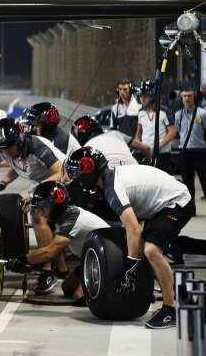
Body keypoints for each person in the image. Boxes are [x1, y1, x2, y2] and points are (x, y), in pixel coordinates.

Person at [64, 147, 193, 329]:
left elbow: (133, 229)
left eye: (76, 172)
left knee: (151, 250)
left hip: (177, 202)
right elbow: (132, 227)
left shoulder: (112, 187)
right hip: (160, 203)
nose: (74, 177)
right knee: (141, 246)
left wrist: (131, 269)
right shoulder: (110, 178)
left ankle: (170, 311)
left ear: (87, 169)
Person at [0, 118, 67, 294]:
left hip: (67, 181)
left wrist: (34, 193)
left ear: (20, 140)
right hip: (44, 184)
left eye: (9, 148)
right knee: (42, 216)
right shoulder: (4, 149)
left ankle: (48, 271)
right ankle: (61, 270)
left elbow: (61, 172)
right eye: (2, 149)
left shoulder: (36, 147)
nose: (5, 153)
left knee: (38, 215)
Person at [5, 181, 109, 305]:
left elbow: (51, 252)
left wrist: (23, 260)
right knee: (67, 288)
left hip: (107, 260)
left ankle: (112, 287)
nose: (41, 213)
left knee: (79, 296)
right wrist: (31, 262)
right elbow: (53, 250)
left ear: (56, 205)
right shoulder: (62, 218)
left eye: (44, 208)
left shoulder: (73, 218)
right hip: (92, 259)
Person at [174, 87, 206, 216]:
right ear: (181, 98)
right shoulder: (178, 115)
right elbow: (177, 132)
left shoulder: (202, 114)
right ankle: (191, 210)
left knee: (205, 180)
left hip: (200, 151)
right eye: (185, 96)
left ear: (194, 97)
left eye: (190, 96)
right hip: (185, 151)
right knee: (187, 183)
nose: (187, 98)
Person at [71, 115, 151, 166]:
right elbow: (146, 148)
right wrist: (148, 164)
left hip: (115, 180)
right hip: (137, 170)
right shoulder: (116, 134)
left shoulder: (87, 149)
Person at [135, 80, 175, 173]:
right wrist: (137, 142)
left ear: (152, 96)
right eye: (141, 96)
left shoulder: (165, 112)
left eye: (145, 96)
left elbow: (172, 132)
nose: (142, 99)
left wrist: (159, 145)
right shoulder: (141, 112)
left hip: (162, 153)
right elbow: (139, 131)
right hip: (146, 153)